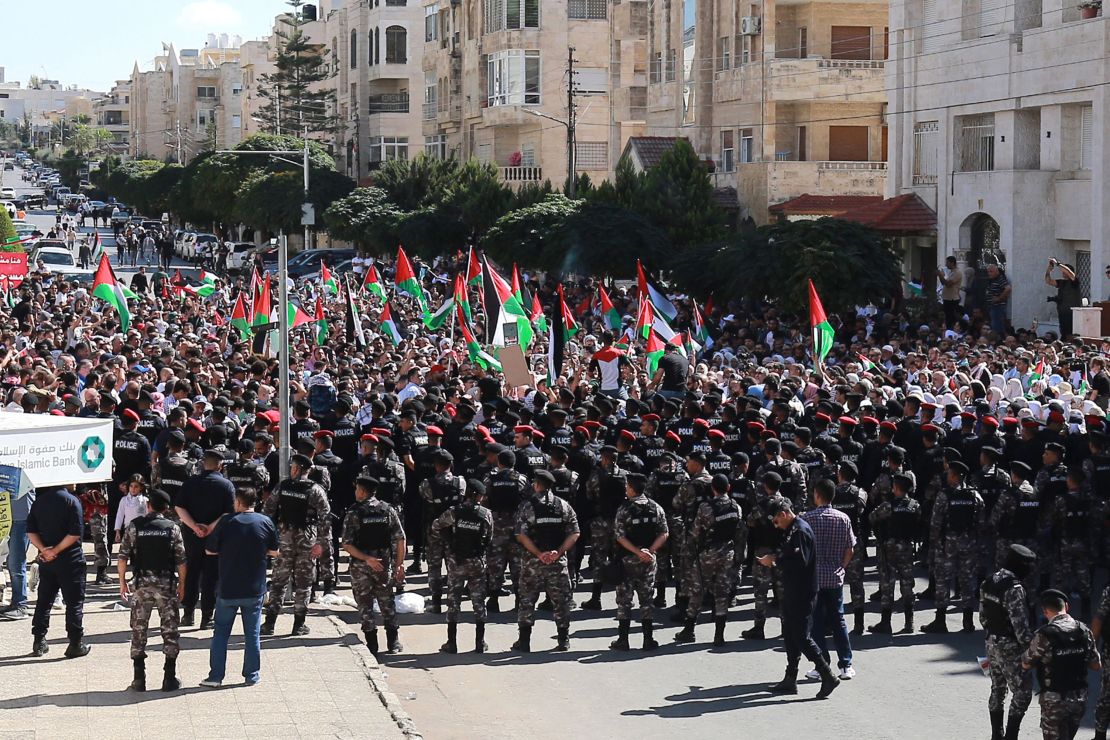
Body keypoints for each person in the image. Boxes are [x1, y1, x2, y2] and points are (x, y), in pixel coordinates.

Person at [757, 498, 840, 699]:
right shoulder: (791, 530)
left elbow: (799, 561)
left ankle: (827, 674)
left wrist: (775, 561)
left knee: (802, 636)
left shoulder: (800, 531)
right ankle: (790, 676)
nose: (776, 526)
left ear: (784, 514)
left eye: (776, 521)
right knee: (789, 632)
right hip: (792, 589)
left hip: (802, 591)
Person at [201, 489, 279, 687]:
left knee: (220, 633)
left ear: (238, 502)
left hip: (228, 587)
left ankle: (216, 677)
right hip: (254, 588)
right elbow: (275, 551)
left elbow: (210, 549)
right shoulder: (265, 522)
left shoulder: (227, 522)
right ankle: (251, 675)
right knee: (252, 633)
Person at [117, 489, 187, 692]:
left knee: (139, 630)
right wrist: (182, 585)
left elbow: (122, 557)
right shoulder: (172, 528)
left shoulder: (135, 527)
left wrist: (122, 582)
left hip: (141, 585)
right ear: (166, 508)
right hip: (166, 584)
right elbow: (181, 561)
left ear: (148, 506)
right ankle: (169, 678)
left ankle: (139, 679)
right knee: (170, 630)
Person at [262, 453, 331, 636]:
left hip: (285, 539)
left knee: (278, 582)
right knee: (303, 584)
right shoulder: (316, 490)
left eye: (293, 467)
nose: (291, 469)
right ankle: (298, 624)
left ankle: (269, 623)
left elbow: (267, 512)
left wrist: (269, 539)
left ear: (297, 469)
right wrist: (321, 544)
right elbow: (325, 519)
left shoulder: (282, 487)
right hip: (307, 541)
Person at [513, 469, 580, 653]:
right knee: (561, 601)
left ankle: (524, 642)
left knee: (527, 600)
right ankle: (563, 640)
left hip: (532, 562)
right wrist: (557, 553)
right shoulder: (563, 506)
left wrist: (538, 553)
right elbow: (575, 532)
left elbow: (520, 535)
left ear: (536, 485)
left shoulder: (527, 506)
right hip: (557, 563)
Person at [1021, 589, 1100, 740]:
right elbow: (1096, 665)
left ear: (1045, 611)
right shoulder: (1084, 631)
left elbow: (1026, 663)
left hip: (1054, 700)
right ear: (1067, 607)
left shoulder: (1045, 634)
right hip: (1078, 698)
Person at [342, 476, 407, 656]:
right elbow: (400, 539)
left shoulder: (354, 512)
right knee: (387, 602)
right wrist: (399, 565)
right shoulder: (387, 510)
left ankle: (372, 645)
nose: (355, 492)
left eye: (357, 489)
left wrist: (366, 558)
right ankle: (393, 642)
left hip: (361, 567)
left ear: (362, 491)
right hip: (383, 564)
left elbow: (346, 544)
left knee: (365, 604)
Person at [674, 473, 740, 646]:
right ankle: (719, 635)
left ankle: (689, 631)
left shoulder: (706, 507)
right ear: (729, 488)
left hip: (708, 554)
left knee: (697, 591)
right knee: (722, 594)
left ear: (713, 489)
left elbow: (696, 532)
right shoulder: (736, 507)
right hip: (728, 554)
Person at [801, 479, 857, 680]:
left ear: (817, 495)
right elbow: (850, 548)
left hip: (814, 578)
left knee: (816, 622)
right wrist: (842, 567)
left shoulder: (807, 519)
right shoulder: (843, 519)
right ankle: (846, 664)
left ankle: (821, 664)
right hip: (834, 577)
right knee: (838, 620)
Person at [26, 484, 91, 658]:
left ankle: (39, 640)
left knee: (44, 600)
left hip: (47, 560)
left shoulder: (39, 502)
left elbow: (31, 531)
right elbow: (75, 533)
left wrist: (44, 550)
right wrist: (55, 551)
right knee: (74, 603)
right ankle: (75, 642)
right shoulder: (72, 501)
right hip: (70, 559)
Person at [980, 544, 1036, 740]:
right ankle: (1010, 736)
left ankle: (997, 734)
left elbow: (983, 617)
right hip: (1009, 646)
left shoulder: (988, 581)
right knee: (1022, 693)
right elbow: (1020, 627)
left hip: (991, 642)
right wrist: (1033, 651)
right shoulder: (1014, 588)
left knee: (998, 688)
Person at [174, 449, 235, 629]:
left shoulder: (190, 483)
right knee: (211, 576)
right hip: (215, 537)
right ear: (220, 465)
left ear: (203, 464)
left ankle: (188, 613)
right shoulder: (226, 486)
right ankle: (207, 617)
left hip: (192, 536)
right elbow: (228, 513)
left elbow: (179, 507)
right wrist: (209, 528)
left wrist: (194, 526)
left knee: (191, 572)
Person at [432, 478, 492, 654]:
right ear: (477, 496)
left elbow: (436, 525)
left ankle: (452, 643)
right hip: (477, 562)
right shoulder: (485, 514)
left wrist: (449, 539)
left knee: (453, 602)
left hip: (456, 561)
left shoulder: (454, 512)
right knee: (479, 602)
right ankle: (480, 643)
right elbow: (489, 537)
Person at [611, 472, 668, 651]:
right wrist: (649, 552)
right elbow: (664, 533)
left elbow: (620, 537)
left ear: (632, 488)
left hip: (627, 561)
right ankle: (648, 639)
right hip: (648, 561)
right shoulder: (656, 508)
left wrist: (637, 552)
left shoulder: (625, 509)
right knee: (647, 599)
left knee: (624, 600)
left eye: (627, 486)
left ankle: (623, 640)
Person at [1, 482, 35, 620]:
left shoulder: (29, 465)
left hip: (20, 518)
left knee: (16, 562)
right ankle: (16, 602)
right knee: (11, 562)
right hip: (6, 516)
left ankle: (21, 605)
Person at [1044, 258, 1081, 338]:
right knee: (1064, 333)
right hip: (1062, 313)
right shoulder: (1062, 282)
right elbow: (1048, 281)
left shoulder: (1075, 282)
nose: (1063, 273)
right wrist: (1049, 270)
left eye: (1064, 271)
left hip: (1072, 314)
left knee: (1071, 334)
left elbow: (1070, 274)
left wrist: (1058, 264)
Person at [938, 255, 965, 329]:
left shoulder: (957, 272)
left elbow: (948, 284)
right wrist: (940, 276)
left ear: (952, 263)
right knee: (947, 316)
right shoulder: (951, 272)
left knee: (950, 317)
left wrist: (940, 275)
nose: (946, 265)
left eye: (947, 263)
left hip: (952, 299)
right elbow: (944, 283)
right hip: (947, 298)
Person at [985, 263, 1012, 336]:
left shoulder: (1000, 279)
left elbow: (1008, 289)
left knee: (997, 327)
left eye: (991, 271)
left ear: (997, 272)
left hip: (998, 308)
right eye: (988, 271)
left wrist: (999, 298)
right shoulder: (992, 280)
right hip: (992, 307)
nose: (989, 273)